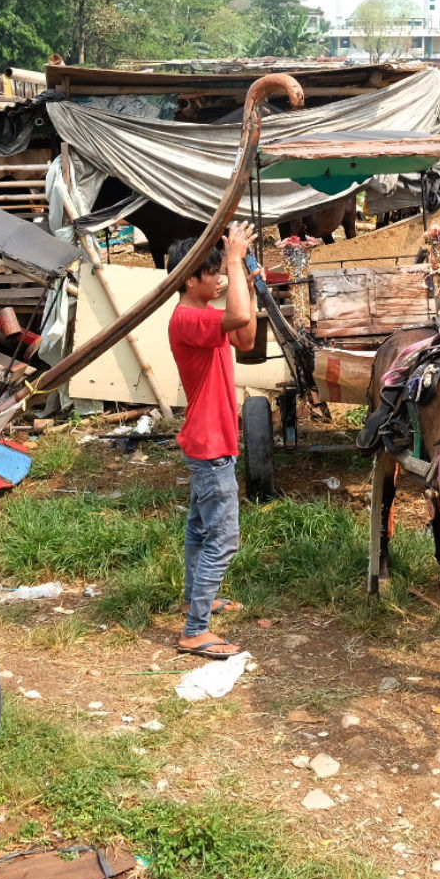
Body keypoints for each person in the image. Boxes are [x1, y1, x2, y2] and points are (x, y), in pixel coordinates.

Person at [166, 220, 260, 659]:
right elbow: (238, 318)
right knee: (224, 539)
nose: (220, 276)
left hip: (211, 440)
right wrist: (237, 260)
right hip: (210, 445)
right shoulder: (186, 318)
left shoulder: (204, 316)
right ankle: (195, 629)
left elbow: (246, 336)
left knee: (201, 530)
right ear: (190, 279)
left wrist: (247, 283)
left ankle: (194, 600)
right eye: (213, 271)